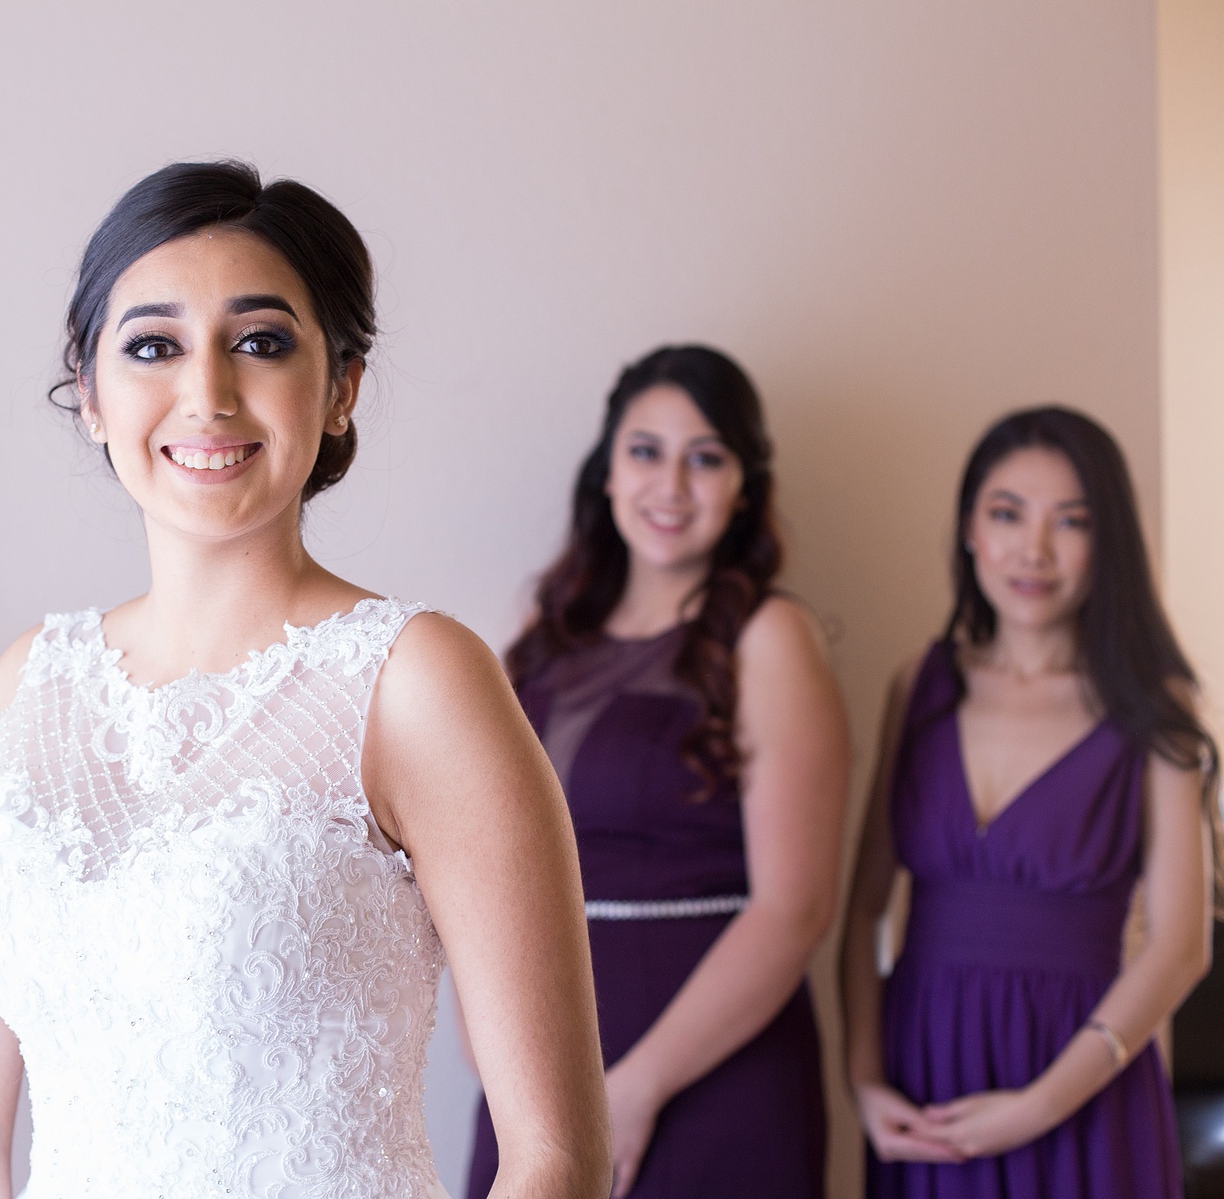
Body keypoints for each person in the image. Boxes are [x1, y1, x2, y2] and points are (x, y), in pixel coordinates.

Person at [0, 161, 610, 1199]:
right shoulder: (24, 689)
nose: (207, 394)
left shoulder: (415, 679)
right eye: (153, 346)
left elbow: (557, 1153)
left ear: (341, 387)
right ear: (90, 392)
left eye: (261, 342)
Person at [467, 345, 849, 1199]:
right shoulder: (545, 639)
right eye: (646, 451)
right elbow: (484, 858)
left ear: (744, 486)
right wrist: (500, 1063)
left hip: (713, 1070)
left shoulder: (771, 638)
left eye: (705, 458)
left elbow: (796, 908)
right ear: (607, 472)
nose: (671, 485)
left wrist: (633, 1093)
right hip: (541, 1070)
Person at [841, 406, 1216, 1198]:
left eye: (1071, 521)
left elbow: (1182, 945)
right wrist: (864, 1080)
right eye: (1008, 513)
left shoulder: (1151, 704)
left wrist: (1041, 1104)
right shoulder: (920, 684)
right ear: (969, 527)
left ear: (1108, 542)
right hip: (926, 1077)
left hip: (1082, 1080)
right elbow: (865, 905)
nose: (1033, 550)